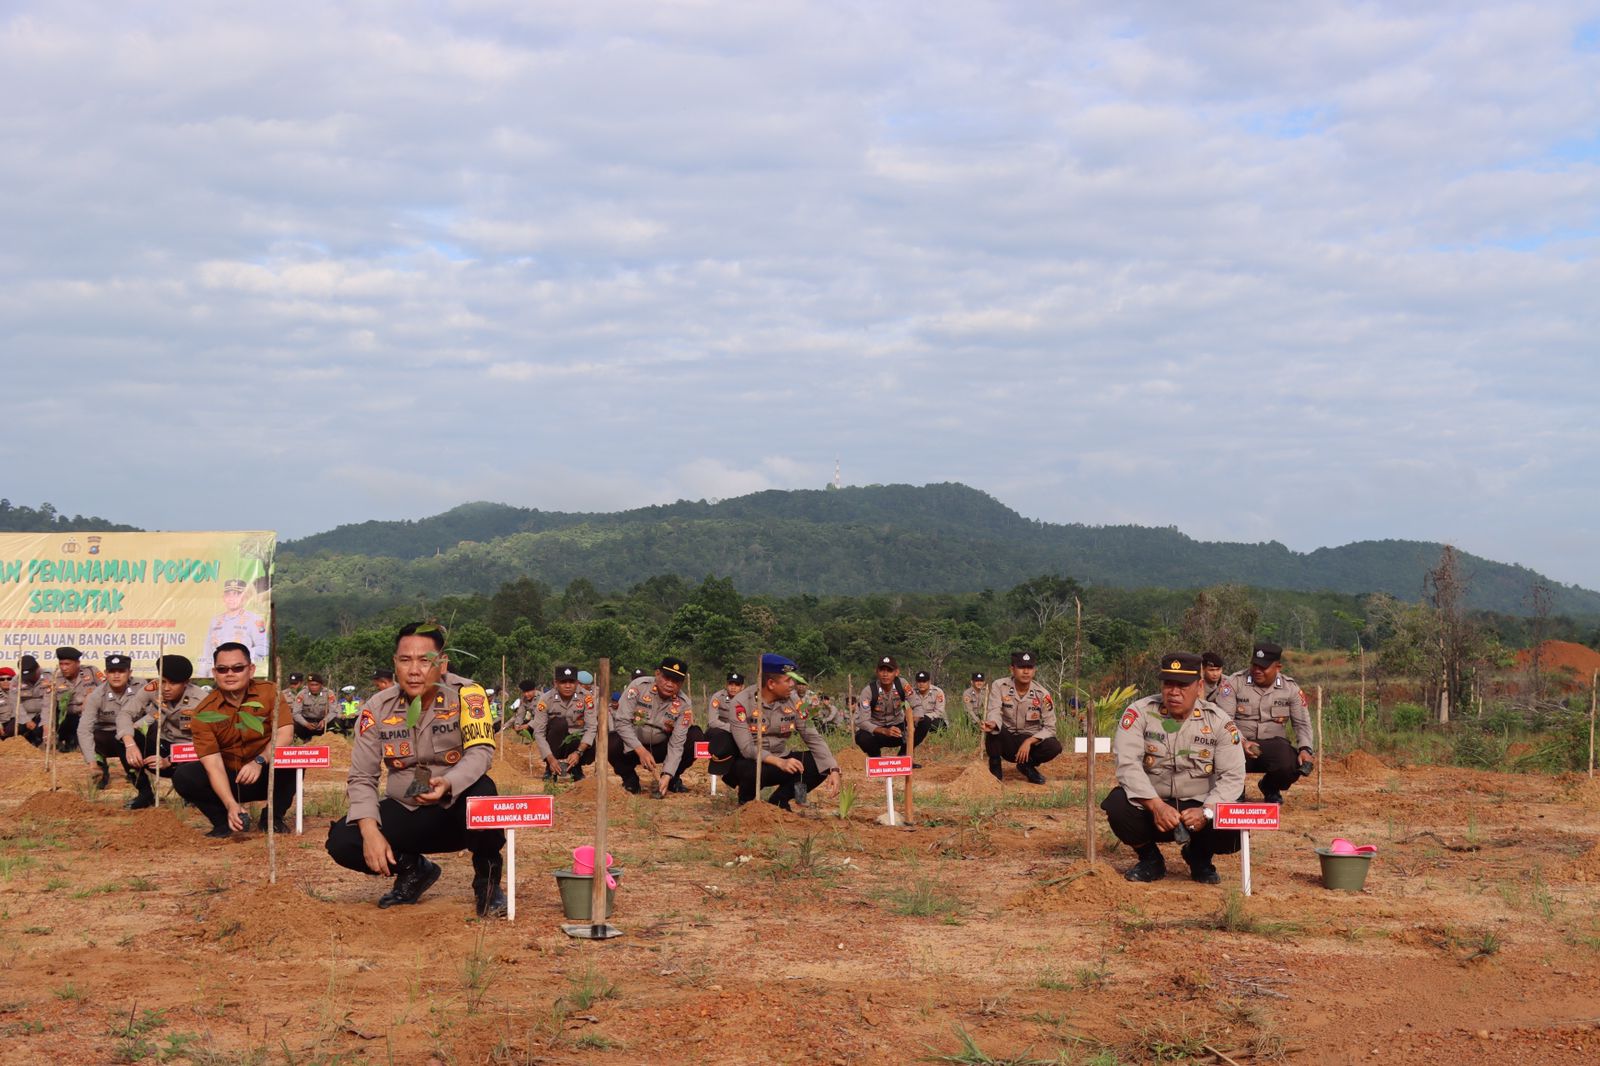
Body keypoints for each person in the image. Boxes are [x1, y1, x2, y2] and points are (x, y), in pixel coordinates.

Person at [325, 622, 505, 915]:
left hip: (455, 803)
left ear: (442, 663)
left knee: (484, 796)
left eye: (425, 660)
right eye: (405, 660)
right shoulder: (378, 707)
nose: (414, 670)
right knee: (344, 841)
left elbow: (480, 751)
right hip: (409, 806)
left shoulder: (467, 694)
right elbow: (362, 777)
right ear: (395, 663)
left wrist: (448, 784)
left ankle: (488, 883)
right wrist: (370, 831)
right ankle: (415, 869)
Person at [1103, 653, 1245, 884]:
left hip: (1200, 807)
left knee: (1235, 815)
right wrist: (1155, 805)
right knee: (1118, 805)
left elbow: (1233, 776)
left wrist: (1207, 811)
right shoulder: (1139, 713)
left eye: (1182, 685)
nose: (1174, 691)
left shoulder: (1219, 722)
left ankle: (1199, 857)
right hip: (1153, 805)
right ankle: (1150, 859)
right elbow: (1127, 765)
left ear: (1199, 687)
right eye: (1168, 683)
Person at [173, 641, 296, 838]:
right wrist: (231, 803)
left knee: (292, 760)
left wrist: (259, 761)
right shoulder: (204, 713)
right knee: (185, 775)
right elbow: (213, 765)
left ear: (251, 669)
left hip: (266, 773)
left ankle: (272, 818)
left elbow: (285, 734)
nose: (230, 674)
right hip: (229, 778)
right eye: (222, 669)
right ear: (215, 673)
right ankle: (224, 821)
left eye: (238, 668)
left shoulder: (269, 692)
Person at [725, 654, 842, 808]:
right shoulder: (740, 702)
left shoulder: (795, 700)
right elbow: (747, 748)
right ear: (771, 683)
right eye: (788, 680)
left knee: (819, 763)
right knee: (750, 769)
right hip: (752, 761)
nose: (793, 684)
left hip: (781, 755)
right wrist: (779, 762)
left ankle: (780, 800)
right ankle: (746, 802)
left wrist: (832, 768)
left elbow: (812, 735)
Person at [1225, 643, 1315, 805]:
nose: (1257, 670)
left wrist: (1305, 749)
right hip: (1238, 745)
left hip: (1272, 748)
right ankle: (1235, 789)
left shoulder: (1290, 688)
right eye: (1254, 665)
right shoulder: (1234, 683)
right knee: (1217, 752)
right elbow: (1224, 721)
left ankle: (1270, 786)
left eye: (1263, 667)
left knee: (1290, 762)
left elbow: (1302, 724)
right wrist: (1242, 741)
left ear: (1278, 667)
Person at [609, 657, 703, 797]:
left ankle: (672, 779)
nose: (670, 684)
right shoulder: (638, 687)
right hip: (633, 747)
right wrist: (640, 750)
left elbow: (677, 743)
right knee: (610, 741)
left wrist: (667, 773)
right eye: (667, 678)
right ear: (657, 674)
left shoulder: (683, 704)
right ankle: (630, 779)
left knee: (695, 737)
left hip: (661, 747)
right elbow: (622, 722)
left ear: (682, 683)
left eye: (676, 681)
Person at [126, 654, 207, 808]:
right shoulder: (152, 689)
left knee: (190, 768)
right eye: (163, 681)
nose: (166, 688)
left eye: (174, 683)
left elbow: (203, 742)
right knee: (125, 736)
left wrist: (169, 760)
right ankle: (145, 793)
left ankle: (190, 793)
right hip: (162, 745)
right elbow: (125, 714)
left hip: (189, 752)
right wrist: (130, 744)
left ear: (186, 683)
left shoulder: (201, 701)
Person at [982, 651, 1062, 784]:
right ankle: (995, 767)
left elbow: (1050, 728)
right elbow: (994, 710)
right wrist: (993, 723)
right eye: (1021, 667)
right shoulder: (1000, 686)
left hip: (1029, 743)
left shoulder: (1042, 694)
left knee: (1054, 746)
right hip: (1007, 740)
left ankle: (1027, 766)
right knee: (993, 729)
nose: (1026, 672)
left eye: (1029, 668)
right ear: (1012, 669)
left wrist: (1030, 741)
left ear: (1034, 670)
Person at [77, 654, 151, 797]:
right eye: (112, 671)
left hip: (134, 733)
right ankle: (100, 768)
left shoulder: (142, 687)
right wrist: (91, 762)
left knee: (148, 732)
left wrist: (137, 726)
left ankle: (136, 770)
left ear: (130, 673)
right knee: (92, 735)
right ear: (105, 674)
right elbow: (84, 729)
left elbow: (155, 713)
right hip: (108, 735)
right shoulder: (97, 695)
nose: (116, 675)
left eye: (121, 671)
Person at [855, 656, 927, 759]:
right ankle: (876, 758)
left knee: (925, 722)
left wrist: (913, 722)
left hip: (898, 730)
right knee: (861, 737)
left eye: (889, 670)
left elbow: (917, 705)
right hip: (877, 731)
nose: (885, 674)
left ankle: (903, 756)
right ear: (877, 672)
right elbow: (863, 721)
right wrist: (884, 731)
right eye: (882, 670)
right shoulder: (868, 691)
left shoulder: (902, 684)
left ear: (896, 672)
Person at [533, 665, 597, 781]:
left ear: (577, 682)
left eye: (571, 682)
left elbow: (591, 727)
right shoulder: (546, 700)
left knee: (589, 739)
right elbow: (538, 732)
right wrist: (550, 758)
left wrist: (578, 752)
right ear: (555, 683)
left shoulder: (586, 697)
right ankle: (550, 768)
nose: (568, 686)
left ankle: (576, 768)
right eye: (563, 682)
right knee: (559, 723)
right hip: (555, 742)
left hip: (577, 742)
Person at [198, 580, 269, 677]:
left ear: (244, 598)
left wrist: (238, 658)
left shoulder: (255, 620)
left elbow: (263, 648)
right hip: (218, 674)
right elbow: (207, 651)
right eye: (228, 595)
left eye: (237, 595)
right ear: (223, 598)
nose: (232, 598)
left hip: (240, 673)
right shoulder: (215, 621)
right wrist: (202, 673)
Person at [50, 646, 97, 752]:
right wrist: (47, 728)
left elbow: (106, 689)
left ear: (77, 663)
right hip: (68, 717)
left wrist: (92, 696)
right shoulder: (55, 678)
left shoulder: (91, 671)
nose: (63, 668)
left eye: (67, 664)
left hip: (91, 715)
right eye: (61, 664)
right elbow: (47, 705)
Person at [704, 671, 743, 778]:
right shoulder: (718, 697)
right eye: (731, 684)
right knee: (722, 737)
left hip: (739, 732)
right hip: (719, 731)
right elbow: (712, 722)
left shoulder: (747, 699)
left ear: (742, 687)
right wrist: (732, 729)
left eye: (737, 685)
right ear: (726, 685)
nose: (733, 687)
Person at [8, 656, 48, 747]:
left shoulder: (48, 676)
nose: (29, 678)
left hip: (44, 713)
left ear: (38, 668)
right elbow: (15, 703)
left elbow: (49, 703)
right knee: (10, 731)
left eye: (32, 675)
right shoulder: (16, 680)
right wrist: (26, 720)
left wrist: (44, 722)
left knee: (39, 730)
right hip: (25, 715)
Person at [0, 665, 42, 745]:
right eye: (2, 679)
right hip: (3, 724)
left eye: (9, 679)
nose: (5, 681)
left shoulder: (21, 692)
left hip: (20, 722)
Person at [292, 674, 336, 742]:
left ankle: (330, 739)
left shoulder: (329, 693)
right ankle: (303, 739)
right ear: (307, 685)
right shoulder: (302, 694)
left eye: (316, 685)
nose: (314, 687)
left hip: (323, 721)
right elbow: (296, 713)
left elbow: (333, 711)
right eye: (311, 685)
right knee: (294, 723)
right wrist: (305, 723)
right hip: (307, 722)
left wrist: (325, 721)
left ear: (321, 685)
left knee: (336, 720)